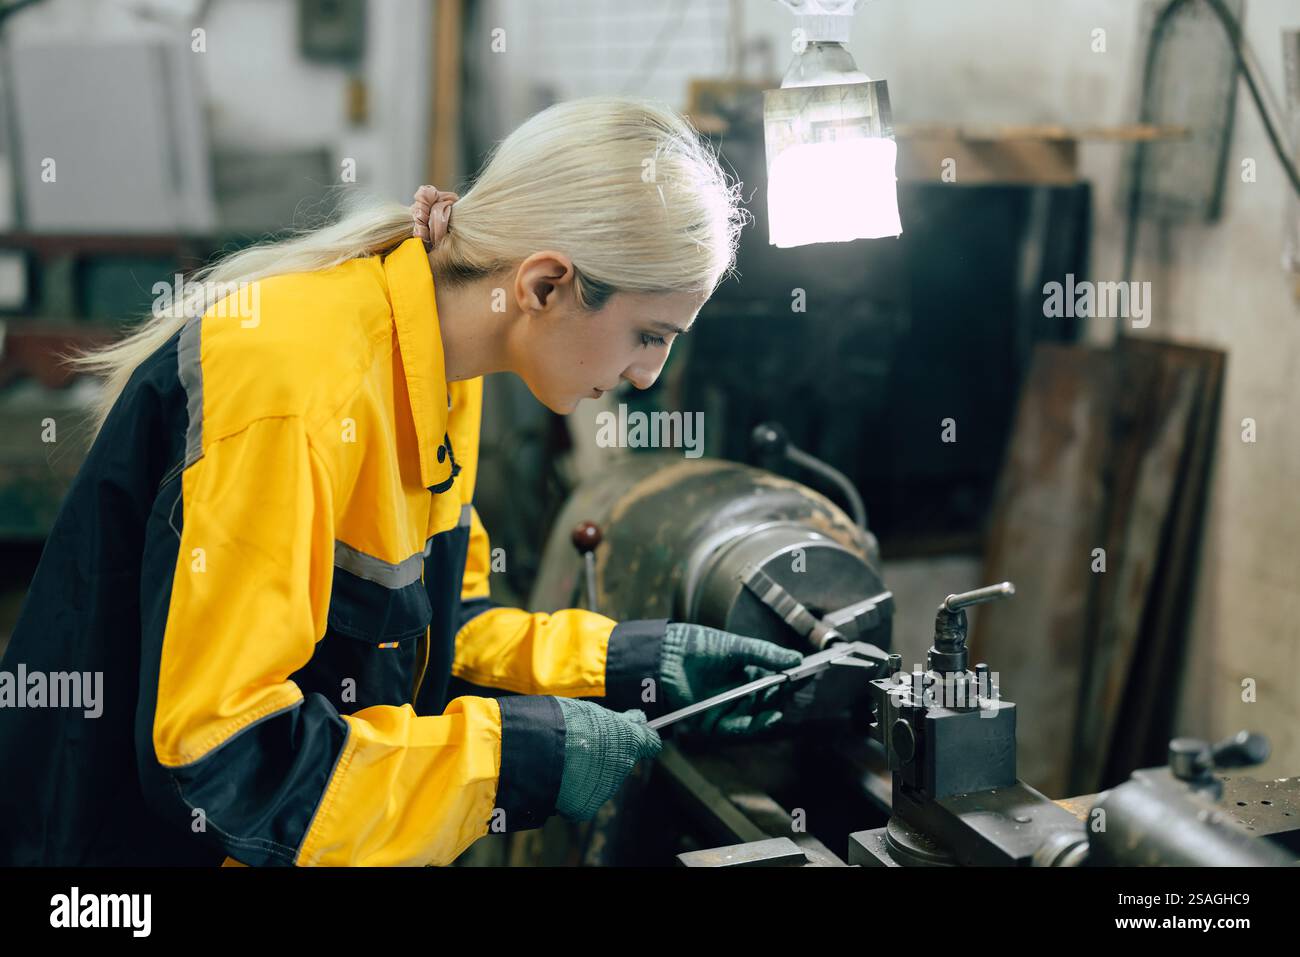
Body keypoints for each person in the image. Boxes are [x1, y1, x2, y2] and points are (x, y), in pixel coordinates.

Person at [0, 96, 802, 866]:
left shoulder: (438, 359)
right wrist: (509, 761)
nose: (648, 374)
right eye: (650, 334)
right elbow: (220, 760)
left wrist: (629, 664)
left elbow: (439, 629)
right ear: (545, 285)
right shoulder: (297, 386)